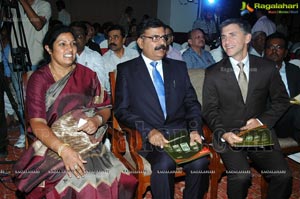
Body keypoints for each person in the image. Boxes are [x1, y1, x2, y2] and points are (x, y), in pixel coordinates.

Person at [13, 25, 137, 199]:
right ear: (48, 49)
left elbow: (105, 108)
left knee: (120, 177)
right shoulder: (39, 79)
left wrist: (97, 121)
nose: (69, 49)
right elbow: (37, 123)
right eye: (62, 44)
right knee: (82, 182)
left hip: (87, 141)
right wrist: (64, 151)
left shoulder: (88, 75)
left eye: (72, 43)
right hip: (51, 143)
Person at [114, 18, 209, 199]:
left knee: (200, 162)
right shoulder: (127, 71)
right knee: (164, 164)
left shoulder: (178, 67)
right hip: (149, 138)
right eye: (155, 38)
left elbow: (192, 103)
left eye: (164, 38)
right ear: (141, 42)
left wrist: (196, 130)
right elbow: (122, 110)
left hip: (180, 134)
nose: (161, 43)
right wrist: (149, 131)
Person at [202, 18, 293, 199]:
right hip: (229, 134)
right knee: (241, 176)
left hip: (259, 131)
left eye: (232, 35)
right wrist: (223, 133)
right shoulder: (213, 72)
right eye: (223, 37)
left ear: (247, 38)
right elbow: (209, 110)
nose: (226, 41)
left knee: (283, 176)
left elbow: (282, 100)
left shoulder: (266, 68)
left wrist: (261, 121)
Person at [10, 0, 51, 147]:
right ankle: (24, 132)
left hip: (34, 57)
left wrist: (23, 2)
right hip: (15, 57)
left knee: (35, 99)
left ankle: (39, 133)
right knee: (21, 99)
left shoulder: (43, 5)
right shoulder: (14, 6)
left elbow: (38, 24)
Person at [264, 32, 300, 142]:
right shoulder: (256, 71)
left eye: (278, 48)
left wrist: (291, 102)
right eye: (270, 47)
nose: (274, 51)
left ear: (285, 53)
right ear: (265, 51)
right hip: (270, 119)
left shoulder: (294, 70)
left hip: (292, 118)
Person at [70, 21, 109, 92]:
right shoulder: (63, 56)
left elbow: (101, 82)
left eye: (79, 37)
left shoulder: (94, 56)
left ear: (86, 39)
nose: (75, 40)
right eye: (73, 37)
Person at [102, 24, 139, 90]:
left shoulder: (134, 55)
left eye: (115, 37)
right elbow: (105, 85)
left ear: (123, 40)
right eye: (109, 38)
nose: (112, 41)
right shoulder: (104, 59)